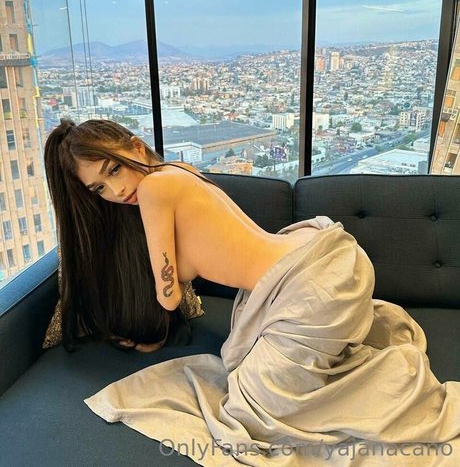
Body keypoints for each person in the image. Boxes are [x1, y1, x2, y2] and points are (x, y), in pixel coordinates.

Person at [44, 118, 316, 353]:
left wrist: (146, 326)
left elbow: (169, 297)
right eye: (100, 188)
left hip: (297, 289)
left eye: (115, 169)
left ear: (137, 146)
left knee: (250, 393)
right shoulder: (179, 169)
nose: (117, 191)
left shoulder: (153, 189)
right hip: (306, 256)